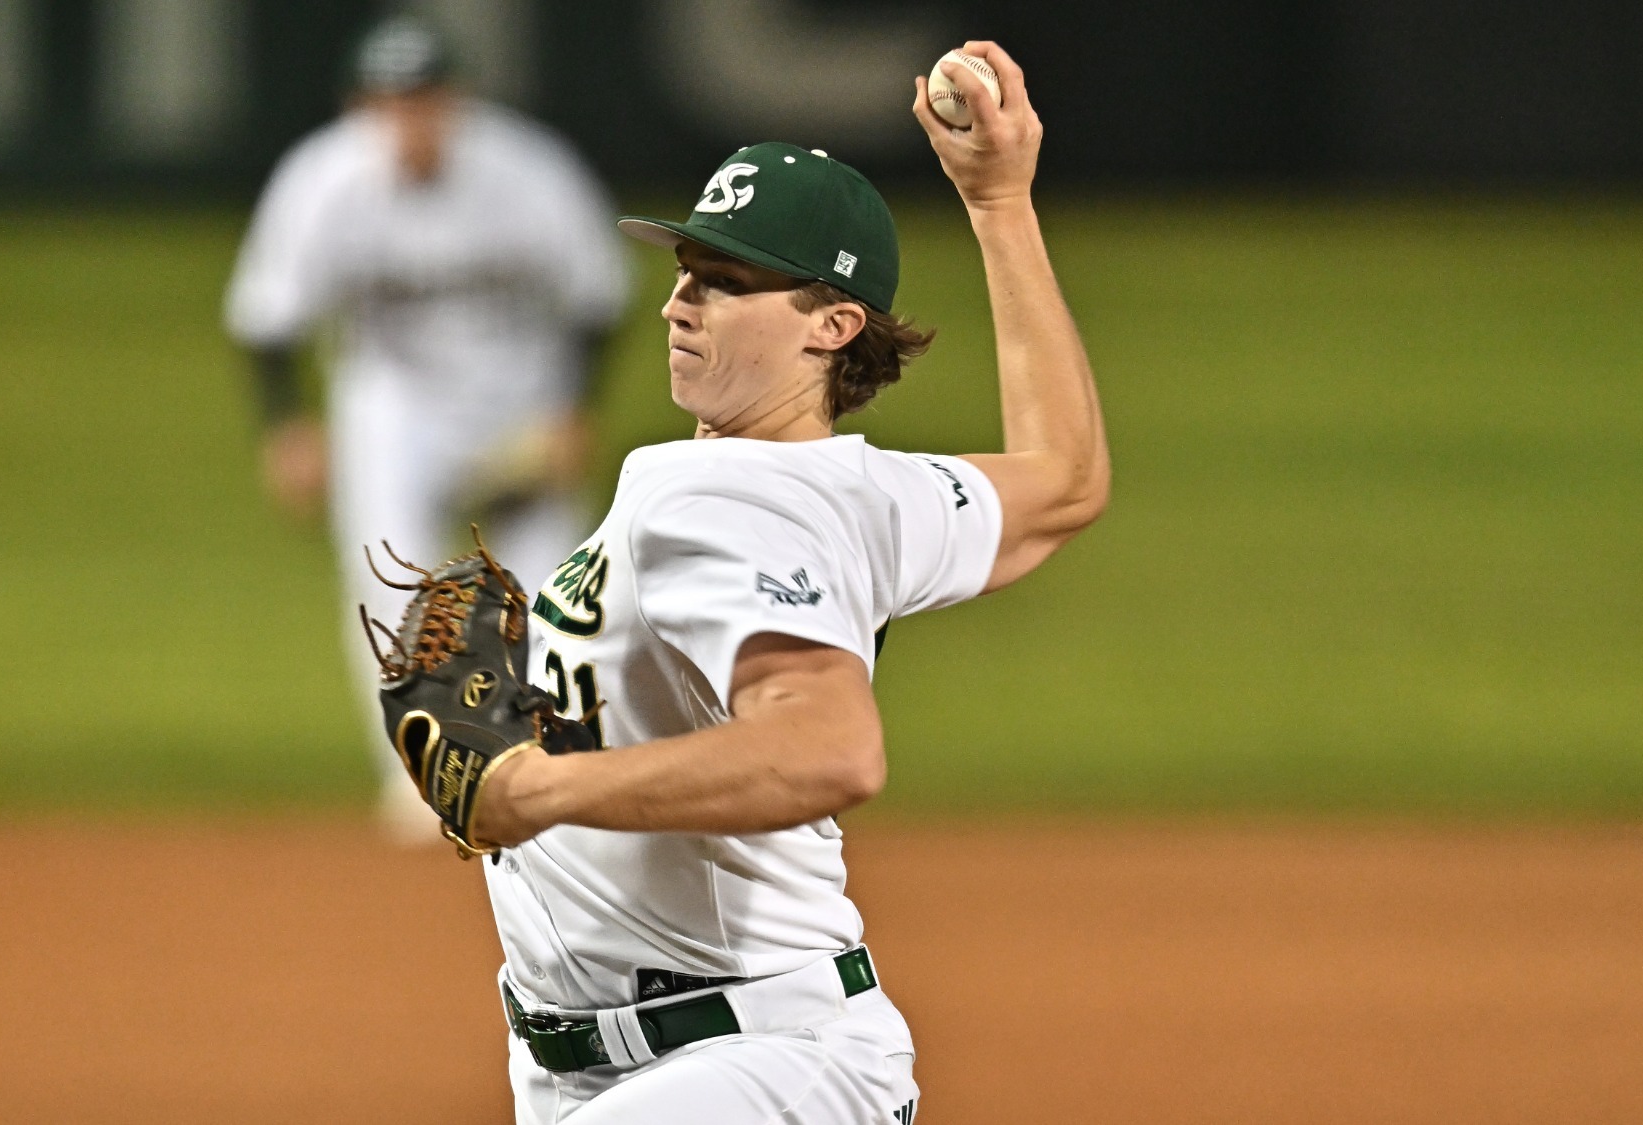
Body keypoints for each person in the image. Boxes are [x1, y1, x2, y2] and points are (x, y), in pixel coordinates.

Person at [453, 42, 1104, 1123]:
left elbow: (827, 745)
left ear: (833, 326)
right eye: (682, 270)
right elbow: (1063, 481)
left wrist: (537, 791)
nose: (677, 303)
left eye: (726, 282)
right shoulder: (862, 495)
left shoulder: (722, 497)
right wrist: (997, 203)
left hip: (744, 1069)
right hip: (662, 1065)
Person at [224, 15, 628, 837]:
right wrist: (288, 428)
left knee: (554, 593)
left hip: (518, 401)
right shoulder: (323, 178)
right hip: (394, 404)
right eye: (389, 102)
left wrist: (573, 412)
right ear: (361, 107)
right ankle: (419, 780)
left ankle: (553, 773)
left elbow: (600, 296)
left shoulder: (528, 169)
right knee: (387, 576)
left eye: (423, 100)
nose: (408, 119)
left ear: (457, 102)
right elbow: (267, 318)